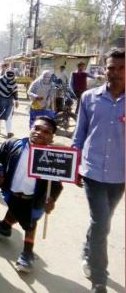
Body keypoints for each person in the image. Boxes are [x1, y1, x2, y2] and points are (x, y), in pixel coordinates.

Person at [72, 48, 125, 293]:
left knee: (103, 221)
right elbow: (79, 134)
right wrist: (74, 166)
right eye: (111, 68)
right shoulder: (89, 98)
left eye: (121, 68)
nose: (115, 73)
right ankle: (99, 278)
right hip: (92, 172)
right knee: (101, 222)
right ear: (104, 69)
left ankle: (87, 247)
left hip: (119, 175)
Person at [0, 116, 63, 273]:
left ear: (52, 136)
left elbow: (56, 184)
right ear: (31, 126)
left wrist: (51, 198)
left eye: (46, 132)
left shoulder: (54, 157)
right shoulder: (13, 144)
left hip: (34, 198)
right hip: (12, 191)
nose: (40, 133)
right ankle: (4, 227)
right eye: (37, 128)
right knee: (15, 208)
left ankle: (27, 253)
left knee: (29, 223)